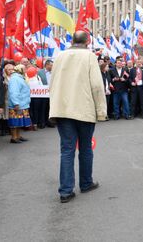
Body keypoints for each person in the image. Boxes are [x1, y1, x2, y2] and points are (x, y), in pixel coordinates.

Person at [49, 31, 107, 203]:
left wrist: (53, 109)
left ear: (73, 40)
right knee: (85, 148)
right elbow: (97, 85)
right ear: (87, 41)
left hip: (63, 109)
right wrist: (101, 111)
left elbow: (53, 83)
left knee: (66, 150)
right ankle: (86, 182)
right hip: (84, 108)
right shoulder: (89, 56)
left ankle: (65, 191)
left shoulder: (60, 56)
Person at [7, 64, 32, 142]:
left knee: (19, 121)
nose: (26, 70)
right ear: (20, 70)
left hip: (22, 103)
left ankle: (18, 136)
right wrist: (16, 103)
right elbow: (13, 92)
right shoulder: (15, 79)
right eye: (24, 69)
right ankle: (14, 137)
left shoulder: (20, 77)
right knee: (15, 121)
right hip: (17, 104)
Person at [37, 60, 53, 128]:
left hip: (51, 92)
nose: (52, 66)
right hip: (43, 93)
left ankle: (49, 121)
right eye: (51, 65)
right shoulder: (40, 72)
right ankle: (42, 122)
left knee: (49, 108)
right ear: (47, 65)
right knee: (43, 108)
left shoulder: (53, 72)